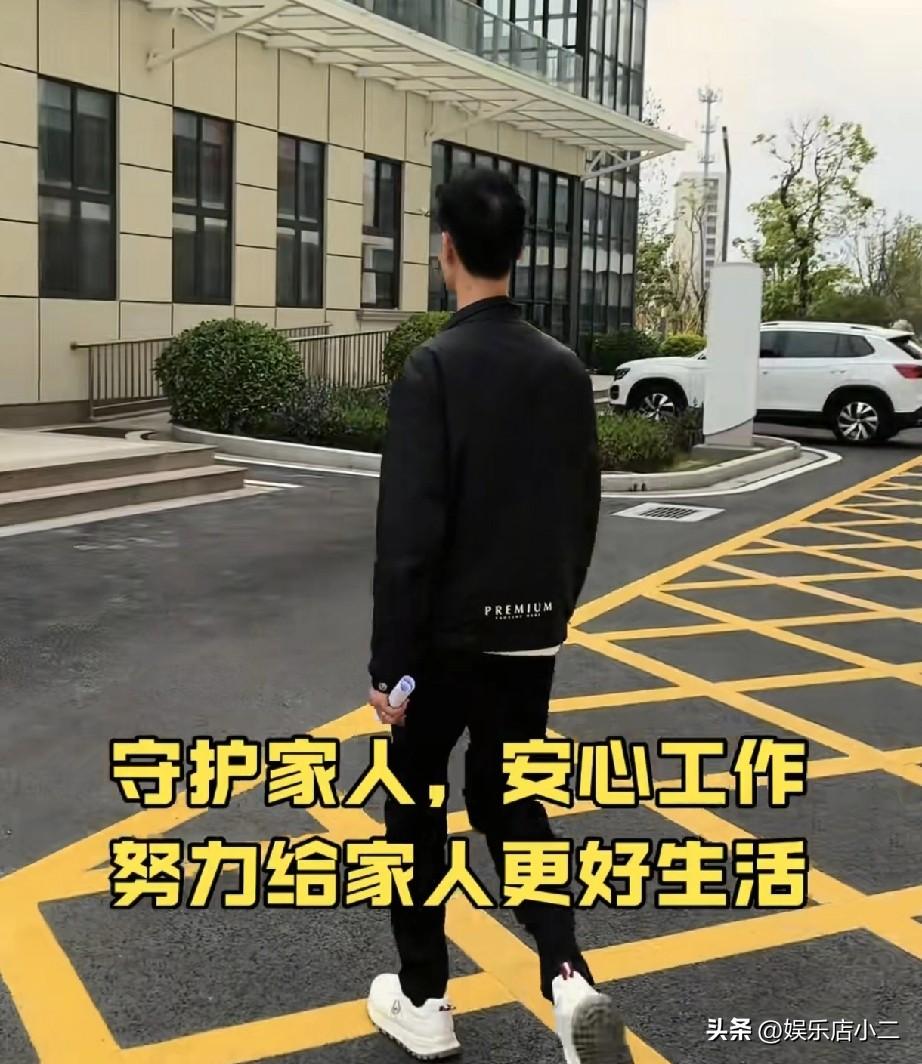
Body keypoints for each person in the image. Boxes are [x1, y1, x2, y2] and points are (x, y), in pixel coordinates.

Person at [365, 167, 631, 1064]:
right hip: (529, 639)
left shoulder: (433, 368)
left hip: (441, 644)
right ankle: (569, 977)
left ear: (446, 250)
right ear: (518, 251)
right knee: (512, 799)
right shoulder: (563, 370)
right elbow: (582, 510)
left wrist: (389, 666)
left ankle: (424, 999)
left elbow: (408, 534)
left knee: (415, 804)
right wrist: (550, 614)